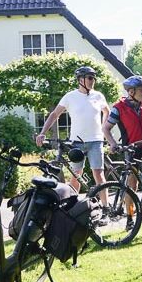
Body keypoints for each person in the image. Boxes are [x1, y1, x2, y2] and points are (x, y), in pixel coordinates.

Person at [35, 66, 110, 195]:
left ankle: (105, 208)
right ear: (81, 80)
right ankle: (73, 208)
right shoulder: (70, 96)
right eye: (90, 78)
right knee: (76, 176)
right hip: (77, 142)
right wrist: (42, 133)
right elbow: (54, 114)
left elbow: (107, 112)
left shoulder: (98, 96)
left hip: (95, 141)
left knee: (98, 175)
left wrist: (104, 131)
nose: (93, 81)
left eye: (94, 78)